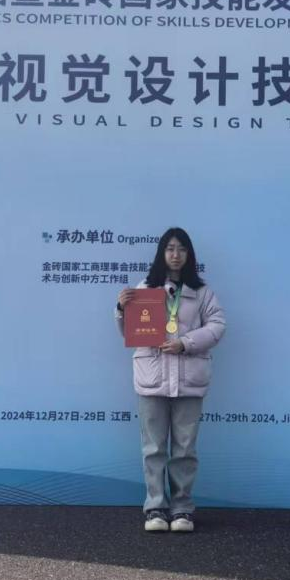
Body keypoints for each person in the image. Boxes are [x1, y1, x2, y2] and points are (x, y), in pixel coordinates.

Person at [116, 228, 226, 533]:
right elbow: (130, 334)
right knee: (153, 448)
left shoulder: (202, 292)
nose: (175, 255)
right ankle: (155, 508)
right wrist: (121, 308)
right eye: (170, 248)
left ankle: (182, 509)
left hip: (189, 380)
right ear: (161, 253)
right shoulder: (145, 289)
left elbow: (218, 325)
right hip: (152, 379)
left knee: (185, 450)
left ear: (189, 254)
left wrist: (185, 343)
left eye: (181, 249)